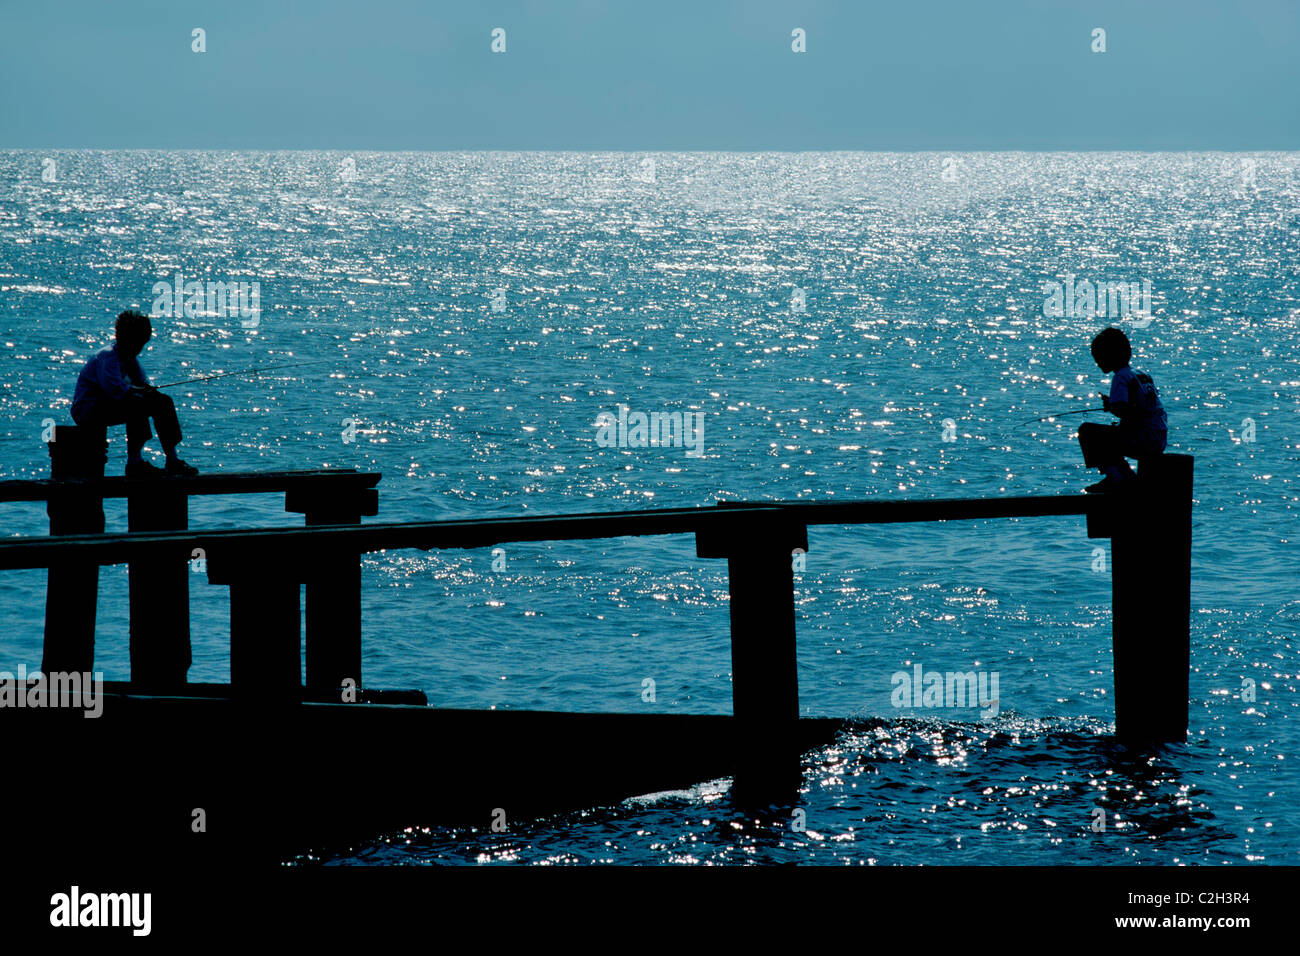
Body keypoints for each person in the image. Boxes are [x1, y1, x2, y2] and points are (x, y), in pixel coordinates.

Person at [71, 310, 198, 477]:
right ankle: (134, 462)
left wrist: (149, 392)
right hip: (87, 410)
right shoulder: (107, 356)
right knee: (136, 404)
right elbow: (115, 390)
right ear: (124, 339)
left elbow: (141, 383)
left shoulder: (129, 359)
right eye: (137, 344)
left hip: (110, 405)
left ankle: (172, 459)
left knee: (163, 402)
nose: (139, 349)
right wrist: (141, 392)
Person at [1078, 327, 1166, 493]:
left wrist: (1111, 406)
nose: (1096, 362)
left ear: (1109, 356)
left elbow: (1123, 410)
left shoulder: (1120, 377)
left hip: (1142, 440)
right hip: (1158, 440)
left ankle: (1116, 478)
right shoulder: (1141, 374)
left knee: (1088, 432)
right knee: (1113, 435)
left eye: (1098, 356)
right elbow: (1144, 408)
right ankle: (1127, 477)